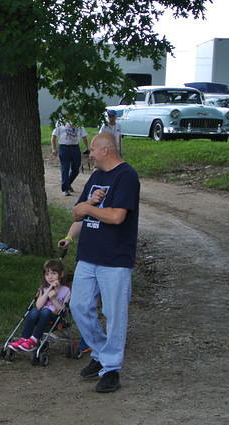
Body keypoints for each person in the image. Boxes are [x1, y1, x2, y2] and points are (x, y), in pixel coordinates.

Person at [58, 132, 139, 393]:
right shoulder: (96, 176)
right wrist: (75, 227)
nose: (89, 155)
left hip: (115, 258)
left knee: (114, 314)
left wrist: (88, 208)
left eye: (92, 150)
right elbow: (77, 212)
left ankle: (111, 369)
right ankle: (102, 354)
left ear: (105, 150)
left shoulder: (126, 176)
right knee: (79, 306)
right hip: (88, 255)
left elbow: (116, 217)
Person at [9, 259, 72, 351]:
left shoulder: (66, 290)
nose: (50, 277)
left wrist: (53, 299)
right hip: (40, 317)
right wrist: (49, 289)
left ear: (61, 274)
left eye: (54, 273)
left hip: (55, 319)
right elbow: (38, 306)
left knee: (45, 311)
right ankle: (24, 338)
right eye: (47, 274)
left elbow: (63, 311)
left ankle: (34, 339)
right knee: (34, 310)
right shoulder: (43, 289)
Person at [50, 117, 89, 196]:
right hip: (64, 147)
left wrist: (87, 148)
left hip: (75, 147)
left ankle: (68, 184)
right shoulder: (61, 121)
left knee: (76, 169)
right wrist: (53, 148)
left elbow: (84, 136)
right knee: (65, 168)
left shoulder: (78, 122)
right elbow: (53, 136)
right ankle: (65, 189)